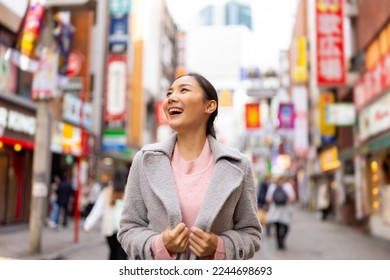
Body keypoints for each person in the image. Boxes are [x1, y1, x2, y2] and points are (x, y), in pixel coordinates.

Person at [117, 73, 261, 260]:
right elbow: (128, 229)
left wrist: (219, 247)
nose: (171, 98)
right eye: (169, 93)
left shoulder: (238, 166)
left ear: (209, 106)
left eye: (183, 90)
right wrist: (160, 245)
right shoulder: (145, 160)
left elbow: (251, 233)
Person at [83, 166, 128, 260]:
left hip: (109, 228)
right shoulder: (130, 192)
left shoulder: (107, 191)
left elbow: (98, 209)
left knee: (113, 253)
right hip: (125, 230)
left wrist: (88, 224)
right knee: (122, 255)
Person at [265, 175, 296, 250]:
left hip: (275, 211)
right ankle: (281, 242)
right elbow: (293, 198)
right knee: (285, 227)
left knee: (278, 228)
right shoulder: (288, 186)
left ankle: (279, 243)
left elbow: (268, 199)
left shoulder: (272, 187)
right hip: (285, 210)